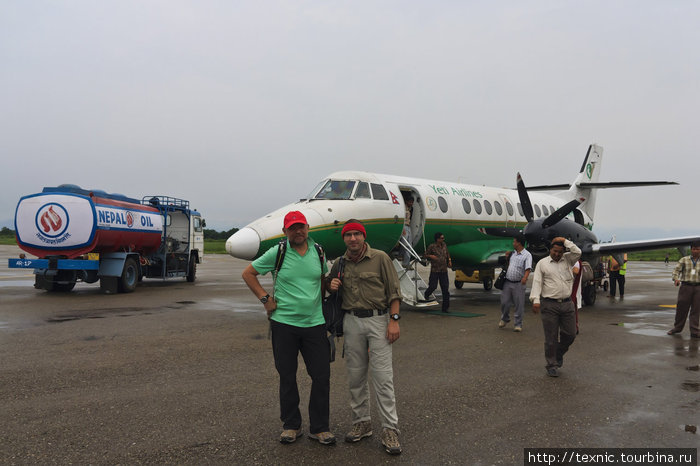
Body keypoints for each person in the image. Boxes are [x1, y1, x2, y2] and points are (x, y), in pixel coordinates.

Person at [241, 211, 336, 445]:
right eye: (292, 228)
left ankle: (320, 427)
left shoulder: (319, 251)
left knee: (321, 376)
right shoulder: (278, 252)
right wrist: (265, 299)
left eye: (301, 226)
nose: (298, 231)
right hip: (284, 324)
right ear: (285, 231)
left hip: (315, 323)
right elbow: (248, 273)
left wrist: (330, 286)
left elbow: (322, 279)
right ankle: (291, 426)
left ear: (308, 228)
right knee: (287, 375)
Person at [328, 219, 403, 455]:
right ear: (344, 239)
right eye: (348, 235)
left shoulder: (380, 258)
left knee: (383, 378)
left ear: (363, 236)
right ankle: (362, 422)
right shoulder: (340, 263)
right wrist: (332, 285)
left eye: (356, 234)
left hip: (379, 321)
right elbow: (329, 290)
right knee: (355, 376)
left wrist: (394, 320)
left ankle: (390, 429)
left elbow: (394, 292)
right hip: (351, 322)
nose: (352, 239)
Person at [530, 237, 582, 377]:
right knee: (551, 337)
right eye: (554, 251)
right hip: (549, 304)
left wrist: (565, 241)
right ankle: (551, 364)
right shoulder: (542, 263)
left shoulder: (568, 260)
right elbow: (537, 282)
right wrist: (536, 300)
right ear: (550, 250)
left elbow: (578, 252)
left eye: (560, 252)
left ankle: (558, 353)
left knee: (570, 334)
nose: (557, 254)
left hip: (567, 303)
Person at [498, 235, 532, 332]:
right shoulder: (512, 253)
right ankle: (505, 318)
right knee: (504, 302)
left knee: (519, 304)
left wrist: (525, 277)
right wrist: (507, 257)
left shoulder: (527, 255)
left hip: (519, 283)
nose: (513, 244)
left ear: (519, 243)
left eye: (514, 242)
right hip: (508, 282)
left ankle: (518, 324)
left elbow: (528, 268)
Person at [667, 241, 700, 338]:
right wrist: (676, 279)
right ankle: (677, 328)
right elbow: (676, 270)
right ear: (691, 249)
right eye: (694, 249)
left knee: (696, 310)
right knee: (681, 308)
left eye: (698, 249)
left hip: (698, 288)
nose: (696, 251)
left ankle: (695, 331)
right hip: (686, 287)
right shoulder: (684, 260)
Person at [423, 232, 452, 313]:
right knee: (433, 286)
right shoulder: (432, 246)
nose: (443, 239)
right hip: (435, 270)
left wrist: (449, 260)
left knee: (445, 290)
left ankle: (445, 308)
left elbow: (447, 253)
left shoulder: (444, 245)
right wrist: (430, 256)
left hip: (443, 270)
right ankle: (427, 294)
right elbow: (425, 255)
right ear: (437, 239)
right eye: (442, 238)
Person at [401, 196, 415, 268]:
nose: (411, 203)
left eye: (412, 202)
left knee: (409, 245)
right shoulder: (402, 208)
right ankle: (405, 262)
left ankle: (406, 261)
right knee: (405, 244)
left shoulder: (411, 209)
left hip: (408, 226)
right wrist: (402, 228)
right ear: (406, 201)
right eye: (410, 202)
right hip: (404, 226)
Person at [571, 259, 583, 334]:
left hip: (573, 289)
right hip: (569, 289)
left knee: (572, 308)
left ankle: (574, 327)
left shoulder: (575, 261)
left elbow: (576, 271)